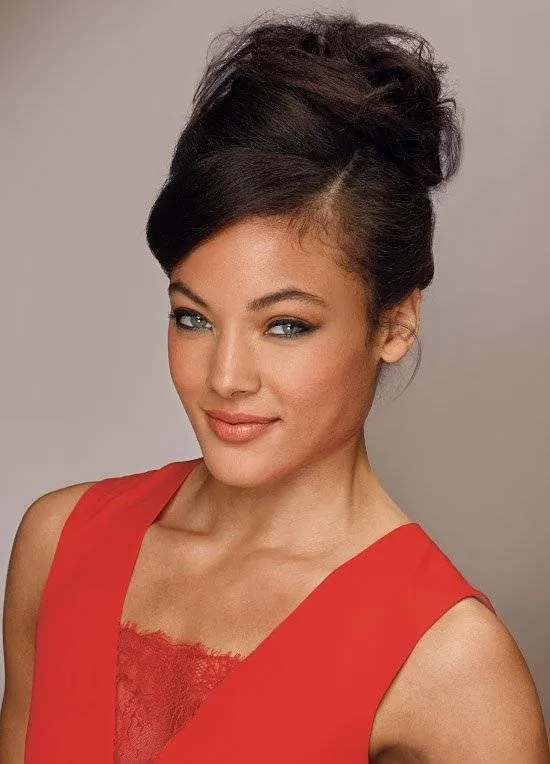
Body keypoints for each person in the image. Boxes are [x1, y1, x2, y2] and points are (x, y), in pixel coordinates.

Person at [2, 9, 549, 764]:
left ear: (394, 323)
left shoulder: (452, 666)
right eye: (193, 318)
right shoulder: (58, 544)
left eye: (285, 325)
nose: (225, 378)